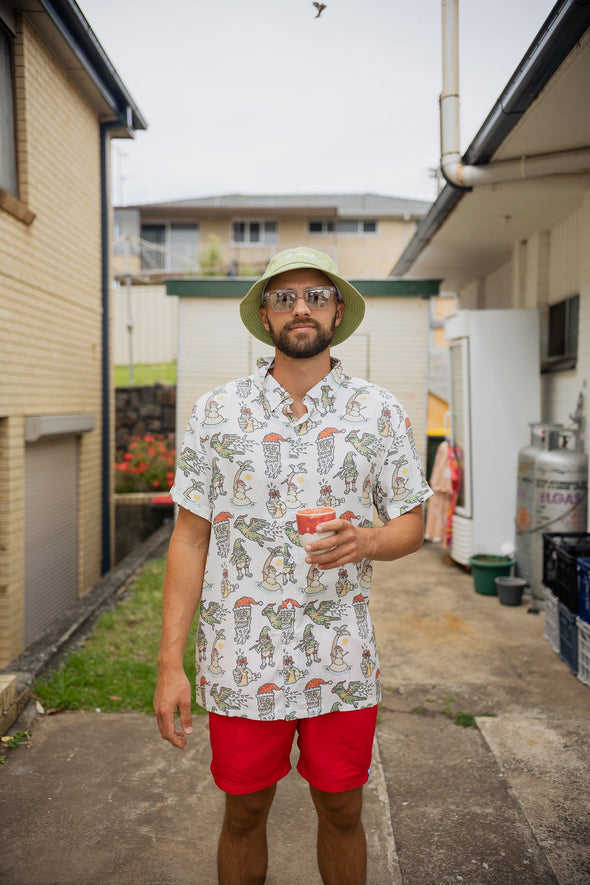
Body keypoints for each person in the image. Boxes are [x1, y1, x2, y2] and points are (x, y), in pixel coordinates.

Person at [154, 246, 433, 884]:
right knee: (245, 811)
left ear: (338, 311)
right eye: (285, 296)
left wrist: (365, 542)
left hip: (339, 657)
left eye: (316, 295)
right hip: (239, 658)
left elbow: (412, 524)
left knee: (341, 808)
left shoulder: (379, 412)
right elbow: (190, 540)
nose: (300, 307)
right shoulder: (216, 413)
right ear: (264, 313)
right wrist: (171, 662)